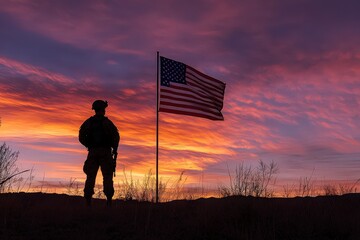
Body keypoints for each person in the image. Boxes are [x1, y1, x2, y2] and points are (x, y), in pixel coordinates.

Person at [79, 100, 120, 206]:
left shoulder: (89, 122)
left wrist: (89, 145)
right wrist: (114, 148)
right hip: (105, 152)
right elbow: (116, 137)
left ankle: (88, 201)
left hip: (93, 152)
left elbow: (81, 136)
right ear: (103, 109)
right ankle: (109, 200)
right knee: (107, 176)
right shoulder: (107, 122)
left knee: (90, 176)